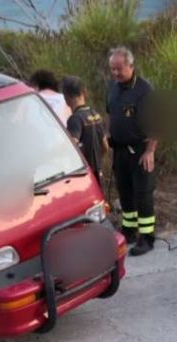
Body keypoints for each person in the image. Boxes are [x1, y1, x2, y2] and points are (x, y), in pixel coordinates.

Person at [106, 46, 157, 256]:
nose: (115, 73)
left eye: (119, 69)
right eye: (112, 69)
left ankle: (147, 237)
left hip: (140, 152)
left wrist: (150, 151)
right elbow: (110, 113)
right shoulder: (113, 87)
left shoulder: (145, 90)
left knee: (142, 194)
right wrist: (109, 135)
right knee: (125, 193)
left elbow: (157, 123)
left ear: (131, 66)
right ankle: (129, 231)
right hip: (119, 151)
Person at [61, 75, 109, 190]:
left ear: (66, 98)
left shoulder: (75, 119)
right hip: (98, 171)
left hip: (85, 175)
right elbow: (105, 146)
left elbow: (73, 145)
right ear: (84, 92)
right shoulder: (95, 114)